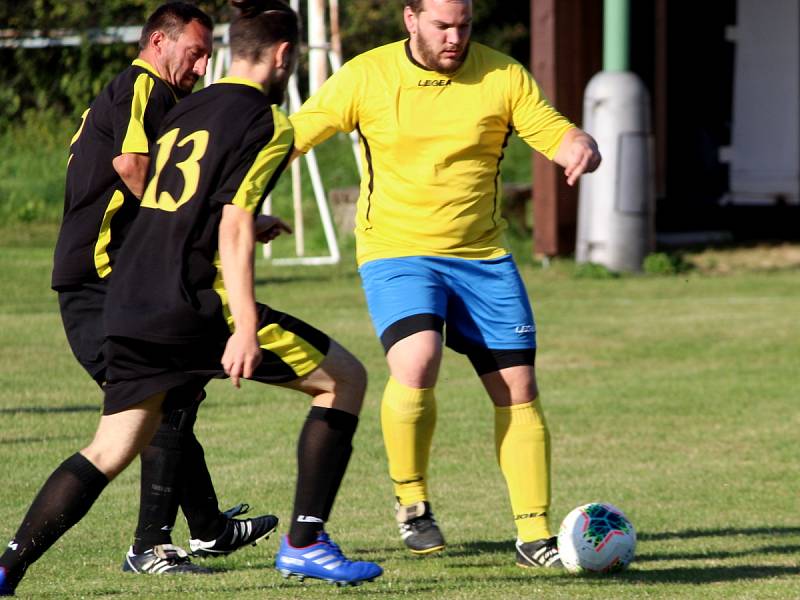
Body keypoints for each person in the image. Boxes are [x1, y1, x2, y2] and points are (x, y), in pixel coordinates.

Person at [0, 0, 382, 595]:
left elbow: (172, 201)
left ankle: (8, 566)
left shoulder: (188, 110)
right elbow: (228, 225)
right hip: (185, 300)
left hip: (127, 298)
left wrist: (229, 223)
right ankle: (305, 543)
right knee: (346, 380)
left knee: (113, 445)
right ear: (285, 56)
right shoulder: (268, 122)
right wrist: (247, 325)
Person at [288, 0, 601, 568]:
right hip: (397, 251)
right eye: (442, 26)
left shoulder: (503, 74)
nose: (455, 37)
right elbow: (296, 134)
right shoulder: (367, 74)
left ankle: (533, 536)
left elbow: (553, 131)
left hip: (482, 257)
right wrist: (232, 188)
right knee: (418, 359)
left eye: (464, 25)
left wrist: (579, 144)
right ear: (411, 20)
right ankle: (412, 504)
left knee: (519, 387)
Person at [3, 2, 275, 587]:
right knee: (154, 409)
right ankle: (153, 543)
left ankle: (205, 525)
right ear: (158, 41)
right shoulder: (142, 87)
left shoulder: (155, 95)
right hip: (98, 281)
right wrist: (186, 228)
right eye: (195, 52)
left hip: (107, 279)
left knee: (170, 399)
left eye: (209, 55)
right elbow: (131, 165)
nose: (202, 67)